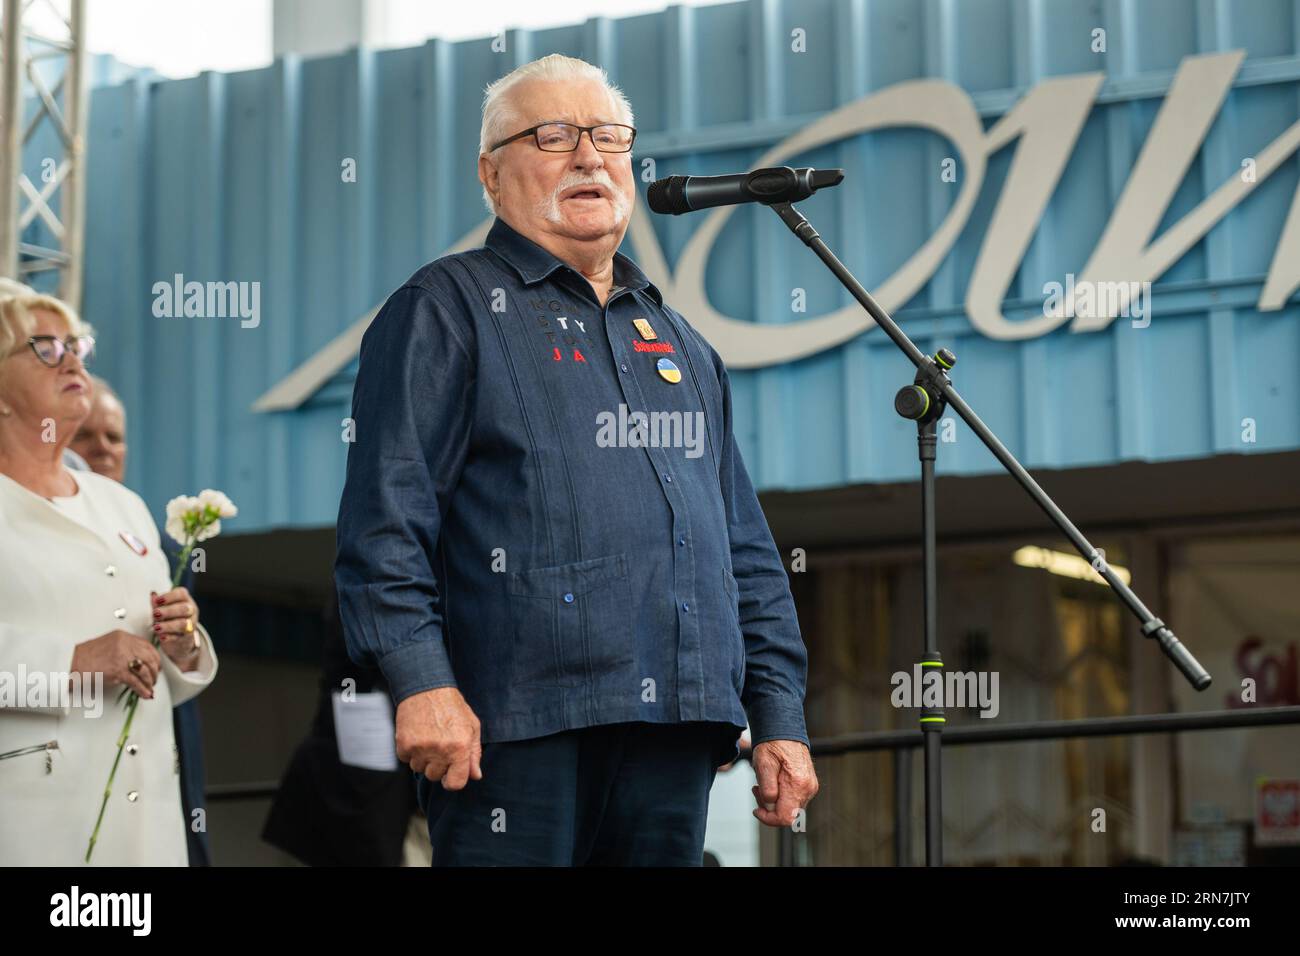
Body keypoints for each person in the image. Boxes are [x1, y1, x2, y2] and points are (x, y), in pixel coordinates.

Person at [335, 54, 817, 866]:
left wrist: (779, 714)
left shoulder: (685, 346)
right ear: (491, 174)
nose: (589, 155)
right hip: (514, 728)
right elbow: (387, 519)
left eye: (608, 136)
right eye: (553, 135)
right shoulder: (443, 310)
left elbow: (744, 551)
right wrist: (420, 680)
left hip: (677, 729)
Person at [0, 291, 218, 865]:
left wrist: (182, 643)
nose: (73, 361)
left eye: (77, 347)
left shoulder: (124, 506)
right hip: (33, 828)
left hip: (148, 827)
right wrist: (70, 662)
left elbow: (167, 677)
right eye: (45, 348)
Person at [67, 374, 212, 866]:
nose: (102, 450)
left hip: (165, 751)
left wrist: (186, 643)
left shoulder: (162, 540)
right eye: (85, 436)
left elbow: (183, 668)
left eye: (114, 437)